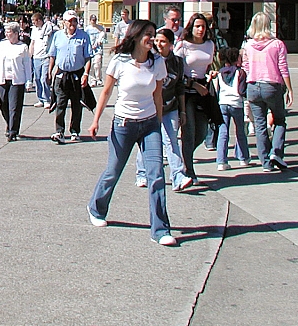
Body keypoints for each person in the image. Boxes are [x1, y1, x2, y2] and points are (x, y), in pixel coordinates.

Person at [87, 18, 177, 247]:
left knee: (156, 175)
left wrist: (157, 122)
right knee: (113, 171)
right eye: (148, 34)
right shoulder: (120, 60)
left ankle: (160, 229)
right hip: (124, 125)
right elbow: (106, 92)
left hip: (149, 125)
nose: (153, 38)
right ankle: (96, 208)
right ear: (136, 36)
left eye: (154, 34)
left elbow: (158, 95)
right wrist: (95, 121)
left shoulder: (157, 62)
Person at [135, 27, 193, 192]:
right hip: (150, 108)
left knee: (171, 141)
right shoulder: (149, 60)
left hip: (170, 107)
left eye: (163, 41)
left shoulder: (177, 62)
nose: (159, 44)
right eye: (157, 41)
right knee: (147, 141)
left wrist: (182, 111)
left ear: (171, 44)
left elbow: (180, 87)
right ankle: (142, 173)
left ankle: (178, 177)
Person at [242, 12, 293, 172]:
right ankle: (276, 152)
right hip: (272, 85)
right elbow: (283, 67)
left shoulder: (248, 45)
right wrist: (289, 88)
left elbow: (245, 66)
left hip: (253, 85)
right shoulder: (277, 44)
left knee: (260, 124)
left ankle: (265, 162)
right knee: (279, 120)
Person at [176, 13, 216, 185]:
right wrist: (192, 84)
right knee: (189, 132)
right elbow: (175, 72)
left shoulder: (209, 45)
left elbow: (208, 65)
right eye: (197, 26)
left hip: (203, 90)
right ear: (191, 28)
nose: (200, 30)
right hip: (186, 91)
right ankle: (189, 171)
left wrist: (210, 74)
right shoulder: (183, 45)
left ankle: (181, 160)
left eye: (203, 26)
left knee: (202, 132)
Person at [48, 10, 93, 144]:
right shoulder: (57, 36)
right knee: (60, 103)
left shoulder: (83, 36)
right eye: (69, 21)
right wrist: (50, 72)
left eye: (74, 21)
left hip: (77, 75)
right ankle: (59, 131)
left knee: (76, 105)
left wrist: (86, 74)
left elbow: (88, 57)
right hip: (61, 74)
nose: (72, 23)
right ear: (64, 22)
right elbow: (52, 55)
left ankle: (75, 131)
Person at [0, 21, 33, 141]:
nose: (6, 34)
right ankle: (9, 123)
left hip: (17, 80)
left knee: (14, 107)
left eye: (9, 32)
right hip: (2, 79)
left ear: (16, 33)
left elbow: (27, 66)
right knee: (3, 105)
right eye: (6, 32)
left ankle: (13, 131)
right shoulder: (2, 45)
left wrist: (29, 81)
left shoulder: (23, 47)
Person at [213, 47, 250, 171]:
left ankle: (221, 161)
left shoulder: (220, 72)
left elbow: (218, 90)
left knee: (223, 132)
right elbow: (241, 90)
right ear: (236, 59)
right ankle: (243, 158)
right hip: (236, 104)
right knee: (240, 131)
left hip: (223, 103)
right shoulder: (241, 73)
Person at [30, 11, 55, 109]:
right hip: (36, 57)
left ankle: (46, 99)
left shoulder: (48, 28)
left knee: (44, 78)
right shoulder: (34, 30)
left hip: (45, 56)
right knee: (37, 79)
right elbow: (32, 43)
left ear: (39, 20)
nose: (33, 23)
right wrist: (30, 55)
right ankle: (40, 98)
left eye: (34, 21)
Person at [85, 13, 107, 86]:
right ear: (90, 20)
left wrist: (100, 41)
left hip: (98, 49)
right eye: (92, 20)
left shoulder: (100, 28)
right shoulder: (87, 29)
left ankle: (99, 79)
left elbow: (104, 37)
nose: (94, 21)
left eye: (95, 20)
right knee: (91, 65)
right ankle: (93, 80)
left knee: (97, 64)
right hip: (90, 49)